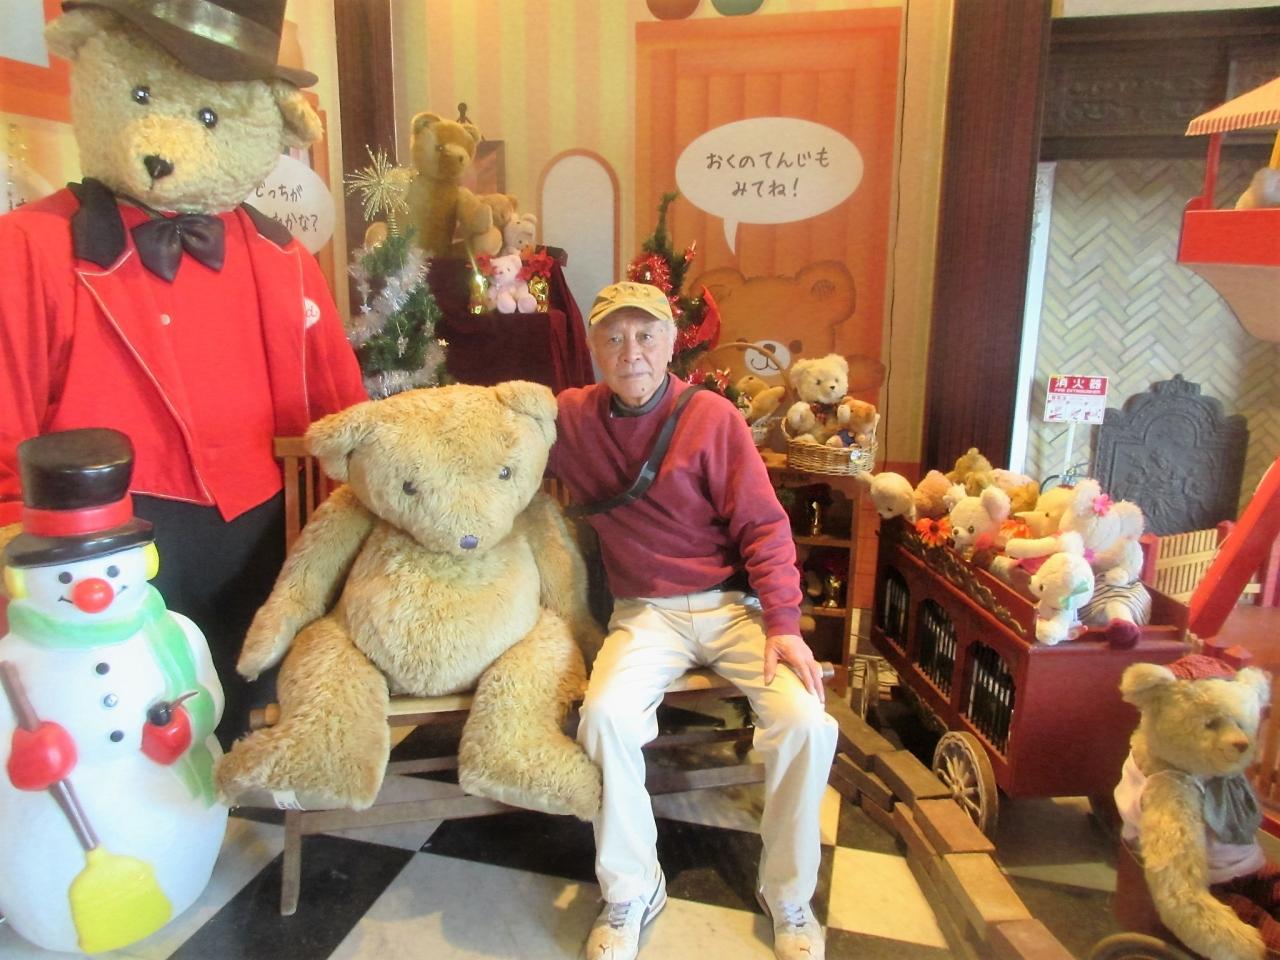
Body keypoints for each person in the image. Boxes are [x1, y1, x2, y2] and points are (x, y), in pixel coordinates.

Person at [549, 281, 837, 960]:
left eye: (645, 335)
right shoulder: (570, 417)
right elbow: (494, 427)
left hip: (733, 607)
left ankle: (788, 893)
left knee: (805, 722)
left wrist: (784, 624)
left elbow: (763, 525)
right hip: (644, 614)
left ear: (671, 343)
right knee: (605, 718)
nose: (631, 351)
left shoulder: (711, 417)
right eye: (614, 337)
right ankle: (632, 888)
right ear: (593, 348)